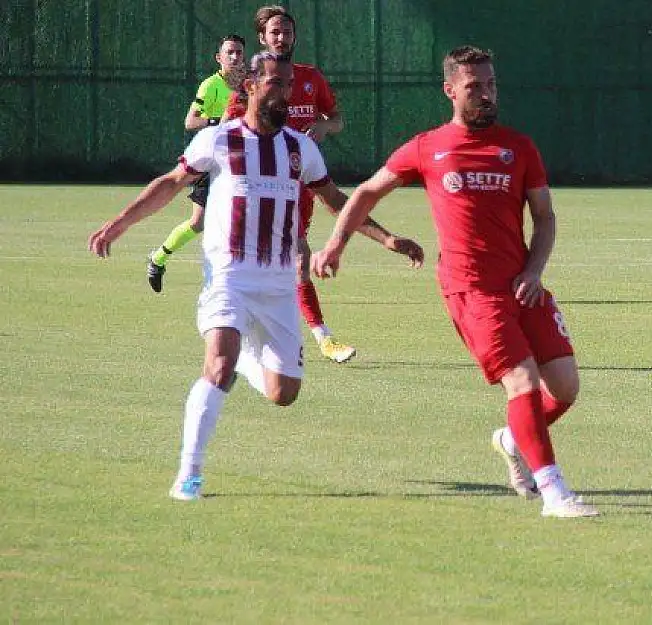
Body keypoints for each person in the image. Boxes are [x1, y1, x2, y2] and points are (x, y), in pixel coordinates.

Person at [88, 52, 422, 501]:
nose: (282, 91)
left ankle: (247, 355)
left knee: (283, 393)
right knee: (218, 365)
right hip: (229, 277)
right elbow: (170, 183)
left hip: (278, 284)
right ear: (249, 86)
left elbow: (337, 201)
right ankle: (189, 473)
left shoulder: (301, 148)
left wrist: (386, 239)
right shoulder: (219, 139)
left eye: (286, 84)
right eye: (273, 83)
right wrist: (121, 222)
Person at [311, 45, 599, 519]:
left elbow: (544, 218)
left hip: (522, 284)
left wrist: (533, 271)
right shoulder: (428, 147)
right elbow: (365, 192)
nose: (487, 95)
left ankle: (512, 438)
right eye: (475, 87)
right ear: (450, 91)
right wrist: (336, 245)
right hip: (471, 289)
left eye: (491, 85)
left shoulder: (520, 147)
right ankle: (555, 494)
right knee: (522, 381)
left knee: (564, 388)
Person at [222, 5, 356, 363]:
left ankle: (268, 340)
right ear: (262, 38)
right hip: (261, 188)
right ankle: (319, 337)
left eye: (287, 32)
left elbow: (337, 118)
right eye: (274, 32)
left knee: (291, 262)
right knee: (291, 260)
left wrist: (326, 126)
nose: (282, 38)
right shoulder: (252, 83)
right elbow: (229, 127)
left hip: (301, 186)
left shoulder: (311, 78)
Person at [146, 34, 246, 293]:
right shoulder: (210, 85)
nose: (235, 57)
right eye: (230, 53)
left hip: (240, 163)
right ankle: (159, 258)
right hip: (211, 161)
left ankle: (238, 280)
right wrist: (219, 122)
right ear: (219, 58)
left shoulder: (249, 85)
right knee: (199, 222)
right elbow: (190, 121)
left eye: (239, 53)